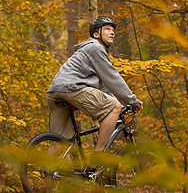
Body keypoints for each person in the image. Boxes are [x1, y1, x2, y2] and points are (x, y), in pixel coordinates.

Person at [46, 17, 143, 152]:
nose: (112, 33)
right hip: (72, 87)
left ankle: (49, 172)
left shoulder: (86, 51)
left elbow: (104, 86)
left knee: (59, 142)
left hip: (54, 91)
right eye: (107, 29)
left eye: (113, 30)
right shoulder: (96, 48)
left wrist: (114, 100)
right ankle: (99, 154)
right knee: (114, 107)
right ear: (96, 34)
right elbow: (113, 78)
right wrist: (133, 101)